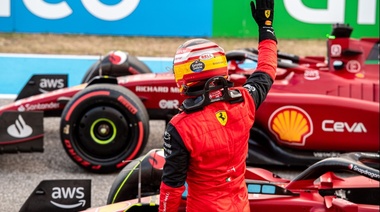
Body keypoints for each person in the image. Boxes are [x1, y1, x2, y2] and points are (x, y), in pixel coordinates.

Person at [159, 0, 277, 211]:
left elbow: (172, 187)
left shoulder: (180, 126)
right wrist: (266, 27)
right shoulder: (244, 101)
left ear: (188, 74)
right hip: (240, 206)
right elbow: (266, 70)